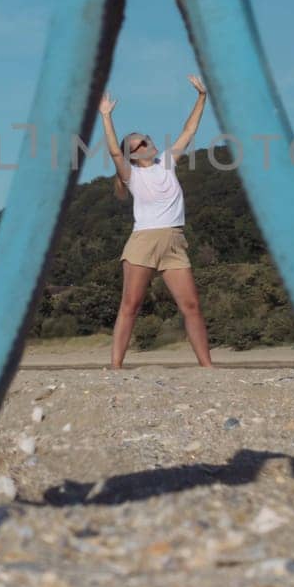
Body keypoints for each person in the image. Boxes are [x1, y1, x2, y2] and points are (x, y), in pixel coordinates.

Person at [98, 75, 214, 369]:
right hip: (144, 243)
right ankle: (115, 368)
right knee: (131, 305)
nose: (148, 143)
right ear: (132, 156)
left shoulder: (167, 162)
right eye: (140, 144)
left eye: (146, 139)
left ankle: (208, 367)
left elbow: (189, 130)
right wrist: (106, 117)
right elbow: (114, 150)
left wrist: (202, 97)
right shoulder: (132, 175)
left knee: (191, 306)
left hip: (175, 242)